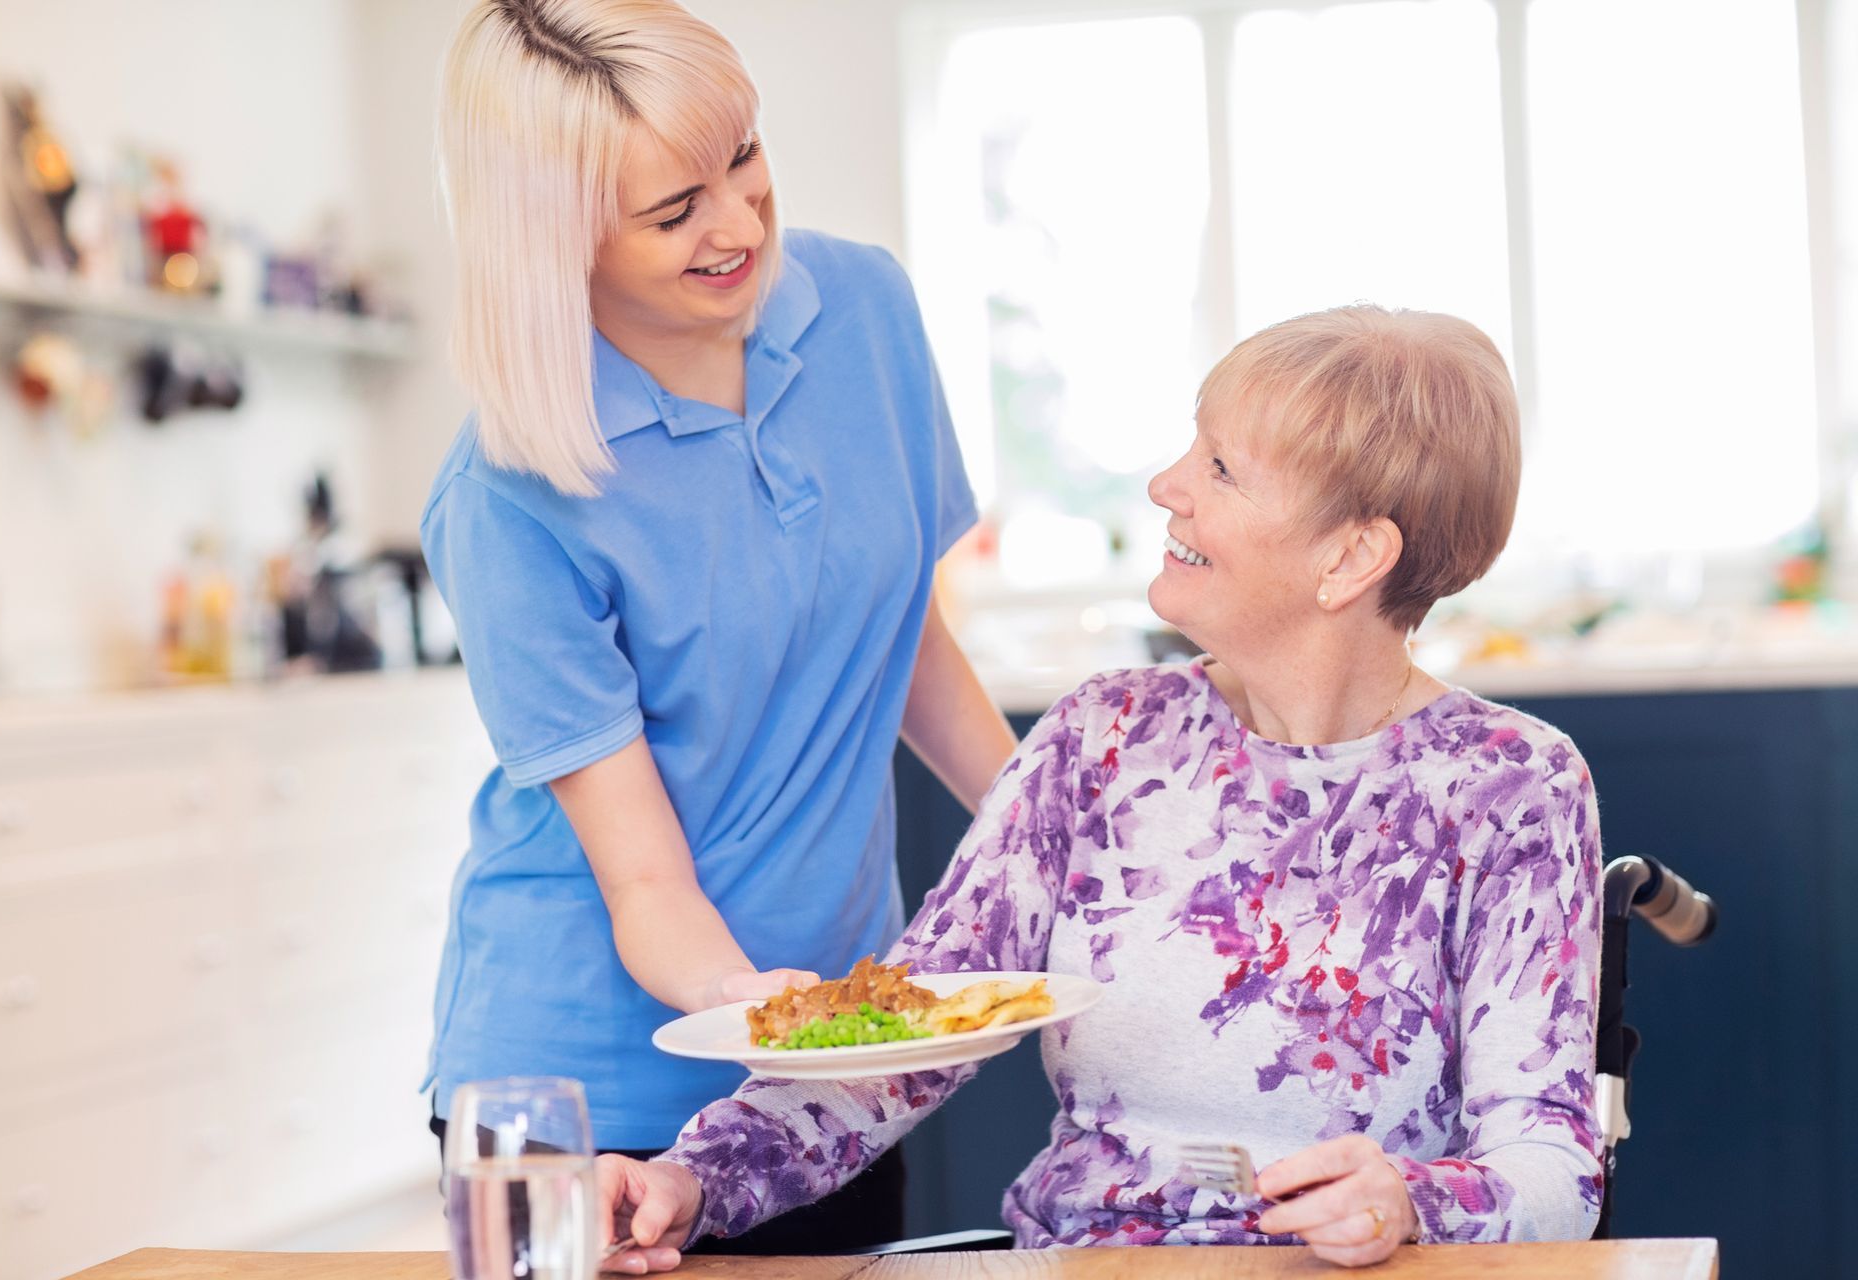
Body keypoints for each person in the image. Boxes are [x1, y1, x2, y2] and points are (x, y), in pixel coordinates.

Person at [594, 306, 1605, 1271]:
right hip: (1087, 1262)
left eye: (1220, 468)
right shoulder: (1104, 735)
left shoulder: (1512, 784)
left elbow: (1553, 1166)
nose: (1168, 485)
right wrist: (693, 1177)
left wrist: (1410, 1201)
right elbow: (912, 1034)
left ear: (1349, 556)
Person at [420, 0, 1016, 1250]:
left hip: (828, 1073)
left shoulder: (864, 312)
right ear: (557, 236)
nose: (741, 224)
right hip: (593, 1086)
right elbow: (643, 880)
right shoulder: (510, 496)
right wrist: (765, 1010)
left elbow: (897, 634)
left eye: (744, 158)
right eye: (673, 208)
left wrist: (1062, 830)